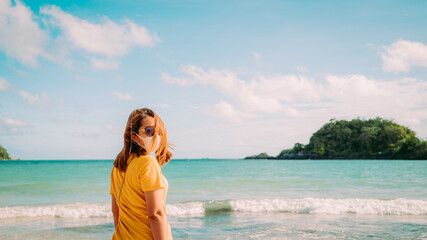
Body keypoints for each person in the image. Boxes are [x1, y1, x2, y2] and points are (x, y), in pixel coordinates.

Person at [110, 108, 173, 240]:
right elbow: (155, 214)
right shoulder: (147, 163)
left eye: (158, 131)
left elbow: (116, 212)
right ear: (134, 136)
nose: (155, 136)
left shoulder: (117, 166)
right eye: (149, 131)